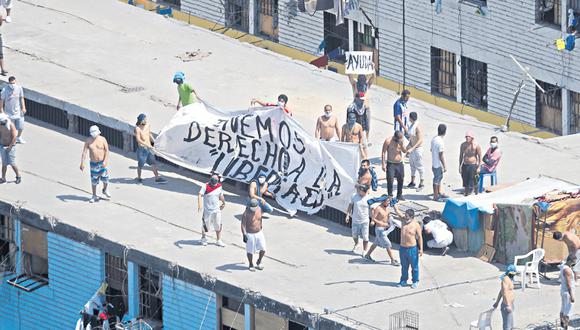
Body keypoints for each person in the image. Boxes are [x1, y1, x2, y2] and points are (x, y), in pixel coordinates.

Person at [364, 195, 400, 266]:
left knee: (375, 243)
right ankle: (392, 260)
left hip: (384, 229)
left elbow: (387, 215)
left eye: (389, 201)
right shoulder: (378, 208)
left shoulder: (386, 208)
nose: (389, 202)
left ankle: (367, 255)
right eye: (387, 201)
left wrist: (391, 218)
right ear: (383, 201)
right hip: (380, 230)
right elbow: (373, 218)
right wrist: (382, 223)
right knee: (388, 244)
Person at [393, 208, 422, 288]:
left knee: (414, 267)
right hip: (402, 248)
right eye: (405, 216)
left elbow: (420, 237)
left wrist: (421, 249)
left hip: (412, 249)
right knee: (404, 266)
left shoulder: (416, 225)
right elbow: (397, 211)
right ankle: (403, 280)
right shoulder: (403, 220)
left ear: (412, 217)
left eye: (407, 217)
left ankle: (415, 281)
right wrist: (393, 203)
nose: (405, 218)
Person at [80, 125, 110, 203]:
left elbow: (107, 150)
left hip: (102, 162)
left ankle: (105, 189)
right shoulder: (88, 140)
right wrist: (82, 163)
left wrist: (105, 161)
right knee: (94, 180)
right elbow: (84, 152)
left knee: (105, 179)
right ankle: (94, 195)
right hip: (93, 164)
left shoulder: (103, 139)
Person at [134, 114, 167, 184]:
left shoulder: (148, 125)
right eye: (144, 120)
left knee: (153, 163)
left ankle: (157, 178)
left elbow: (149, 134)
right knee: (140, 165)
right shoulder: (137, 129)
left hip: (148, 149)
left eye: (146, 120)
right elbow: (138, 140)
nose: (145, 121)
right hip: (142, 150)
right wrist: (147, 145)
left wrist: (154, 141)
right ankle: (139, 178)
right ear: (140, 121)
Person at [198, 172, 226, 247]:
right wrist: (200, 205)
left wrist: (223, 203)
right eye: (213, 179)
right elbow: (200, 195)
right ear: (210, 179)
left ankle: (218, 240)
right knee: (205, 226)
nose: (214, 180)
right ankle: (203, 238)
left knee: (218, 225)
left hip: (216, 210)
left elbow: (221, 195)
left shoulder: (219, 186)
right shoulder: (205, 186)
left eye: (216, 179)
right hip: (207, 211)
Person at [345, 184, 371, 255]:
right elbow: (350, 205)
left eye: (363, 191)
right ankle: (356, 244)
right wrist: (347, 215)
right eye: (360, 191)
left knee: (365, 237)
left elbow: (373, 209)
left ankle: (365, 250)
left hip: (365, 221)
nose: (361, 192)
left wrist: (374, 220)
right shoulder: (354, 196)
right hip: (355, 220)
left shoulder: (369, 198)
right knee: (354, 235)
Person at [241, 199, 266, 271]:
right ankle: (251, 264)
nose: (254, 208)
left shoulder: (259, 209)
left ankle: (259, 261)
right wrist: (244, 235)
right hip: (250, 234)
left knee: (263, 249)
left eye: (255, 206)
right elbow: (243, 225)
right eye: (252, 207)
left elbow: (260, 219)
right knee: (250, 250)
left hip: (259, 232)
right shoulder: (246, 213)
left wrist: (261, 226)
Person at [381, 131, 407, 200]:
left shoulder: (401, 141)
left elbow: (404, 151)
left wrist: (401, 145)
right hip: (391, 163)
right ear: (395, 137)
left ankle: (399, 194)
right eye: (398, 139)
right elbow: (383, 152)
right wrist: (383, 164)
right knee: (390, 179)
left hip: (399, 163)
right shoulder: (388, 141)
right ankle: (390, 195)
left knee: (401, 179)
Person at [1, 76, 27, 143]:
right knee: (9, 128)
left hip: (18, 112)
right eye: (11, 83)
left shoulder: (19, 88)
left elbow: (21, 98)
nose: (13, 85)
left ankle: (18, 137)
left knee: (21, 127)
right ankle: (10, 139)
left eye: (14, 83)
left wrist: (23, 107)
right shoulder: (4, 90)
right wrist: (2, 111)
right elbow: (1, 101)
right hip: (8, 113)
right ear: (8, 83)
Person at [493, 264, 516, 330]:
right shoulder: (505, 279)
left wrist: (497, 302)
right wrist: (508, 305)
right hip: (506, 306)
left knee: (511, 326)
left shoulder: (510, 279)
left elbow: (501, 292)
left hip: (510, 304)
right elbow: (504, 293)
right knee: (507, 327)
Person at [459, 131, 482, 196]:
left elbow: (480, 156)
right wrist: (460, 166)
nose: (467, 138)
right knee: (465, 180)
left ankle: (475, 192)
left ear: (472, 138)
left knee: (472, 180)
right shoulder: (463, 145)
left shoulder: (476, 145)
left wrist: (479, 167)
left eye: (468, 137)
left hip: (473, 165)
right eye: (466, 137)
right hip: (465, 164)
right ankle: (466, 193)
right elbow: (461, 155)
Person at [406, 112, 424, 190]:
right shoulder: (411, 126)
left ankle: (422, 182)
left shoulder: (417, 127)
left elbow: (420, 140)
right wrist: (408, 145)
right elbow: (411, 138)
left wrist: (412, 148)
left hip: (417, 149)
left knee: (419, 166)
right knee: (412, 166)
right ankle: (412, 181)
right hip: (412, 148)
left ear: (411, 118)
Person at [0, 113, 19, 183]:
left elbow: (14, 137)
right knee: (4, 164)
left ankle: (18, 176)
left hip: (11, 147)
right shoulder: (1, 124)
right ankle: (3, 178)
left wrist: (10, 147)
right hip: (2, 146)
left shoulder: (11, 125)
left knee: (12, 163)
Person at [431, 124, 447, 202]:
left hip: (434, 163)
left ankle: (438, 192)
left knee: (439, 178)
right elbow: (441, 155)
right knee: (436, 180)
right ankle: (435, 196)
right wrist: (444, 165)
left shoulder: (434, 139)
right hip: (438, 164)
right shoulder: (440, 142)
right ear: (444, 132)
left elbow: (431, 150)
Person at [560, 255, 576, 330]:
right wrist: (572, 296)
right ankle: (565, 327)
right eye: (573, 262)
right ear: (571, 261)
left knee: (563, 308)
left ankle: (562, 325)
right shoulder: (567, 270)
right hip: (567, 292)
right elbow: (569, 284)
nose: (574, 263)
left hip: (563, 290)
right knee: (568, 311)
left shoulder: (563, 266)